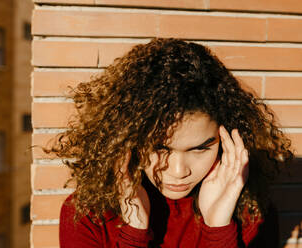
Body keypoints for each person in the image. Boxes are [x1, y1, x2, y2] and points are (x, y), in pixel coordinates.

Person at [47, 38, 294, 247]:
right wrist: (134, 231)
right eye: (160, 148)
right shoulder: (89, 215)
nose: (179, 171)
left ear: (227, 140)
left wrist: (219, 228)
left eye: (200, 148)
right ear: (128, 139)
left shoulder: (252, 214)